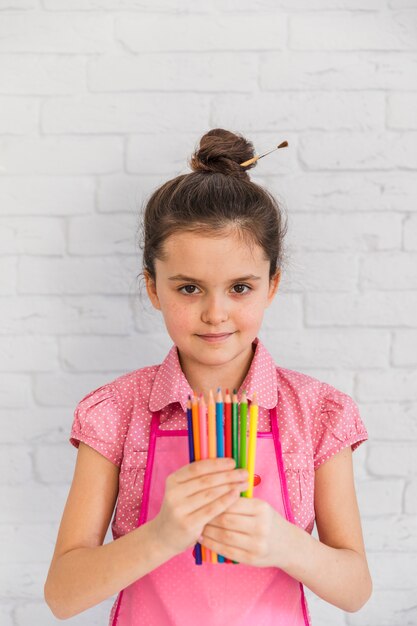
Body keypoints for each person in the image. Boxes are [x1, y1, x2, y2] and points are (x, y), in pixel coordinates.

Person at [44, 128, 373, 625]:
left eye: (240, 287)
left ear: (272, 285)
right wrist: (161, 535)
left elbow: (355, 591)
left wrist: (287, 544)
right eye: (189, 288)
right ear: (153, 288)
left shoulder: (318, 413)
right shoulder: (116, 412)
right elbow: (62, 596)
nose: (215, 314)